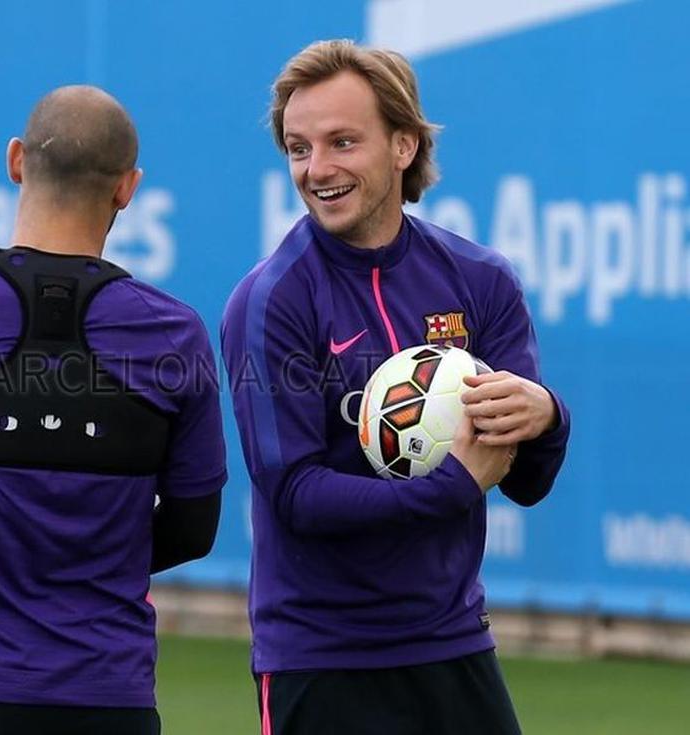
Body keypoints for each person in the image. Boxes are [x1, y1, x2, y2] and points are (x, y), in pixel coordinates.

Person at [221, 40, 570, 734]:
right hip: (320, 656)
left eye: (342, 142)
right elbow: (294, 493)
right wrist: (451, 486)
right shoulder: (269, 301)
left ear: (404, 145)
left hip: (453, 642)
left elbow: (526, 478)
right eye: (298, 148)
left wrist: (547, 418)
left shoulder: (480, 280)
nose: (316, 170)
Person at [0, 85, 227, 735]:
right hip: (107, 695)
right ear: (128, 188)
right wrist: (93, 557)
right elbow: (194, 527)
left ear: (15, 161)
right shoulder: (174, 333)